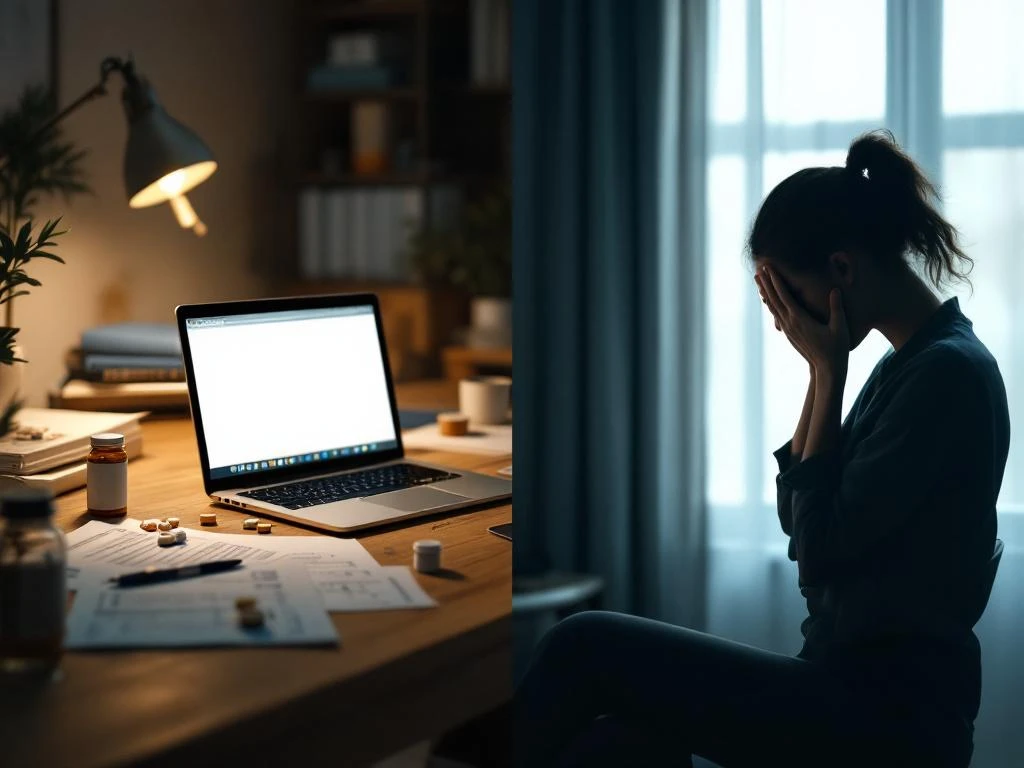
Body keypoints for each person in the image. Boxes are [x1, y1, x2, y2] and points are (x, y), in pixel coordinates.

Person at [513, 130, 1010, 768]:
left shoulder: (947, 375)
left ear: (841, 270)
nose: (786, 321)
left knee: (584, 643)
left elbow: (816, 550)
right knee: (623, 741)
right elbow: (798, 511)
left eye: (789, 297)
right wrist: (819, 374)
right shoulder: (906, 365)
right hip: (843, 685)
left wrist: (828, 376)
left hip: (883, 714)